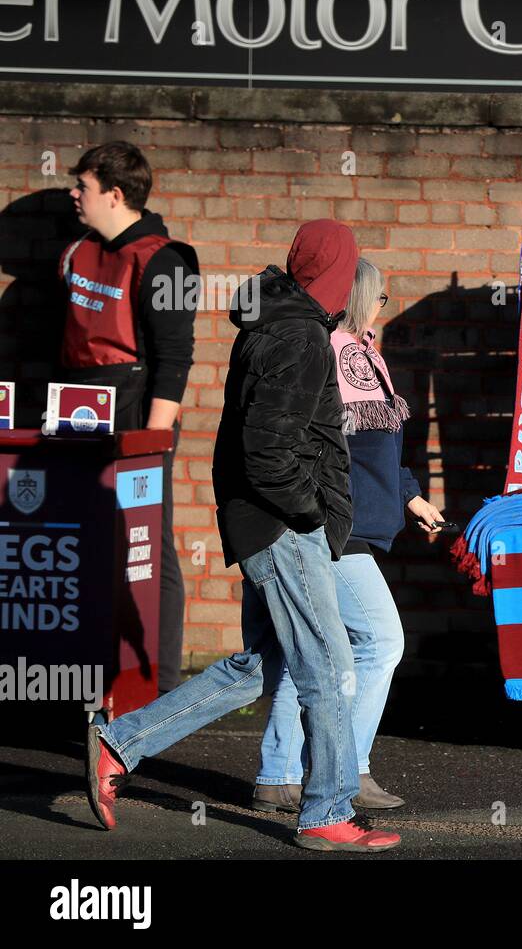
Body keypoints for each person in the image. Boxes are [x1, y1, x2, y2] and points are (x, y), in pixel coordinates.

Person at [86, 220, 402, 852]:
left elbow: (272, 442)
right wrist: (311, 518)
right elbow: (267, 452)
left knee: (267, 664)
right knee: (332, 667)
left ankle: (118, 742)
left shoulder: (280, 322)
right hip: (284, 527)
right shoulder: (300, 336)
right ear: (336, 273)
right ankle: (326, 813)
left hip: (273, 523)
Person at [253, 257, 444, 814]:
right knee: (382, 642)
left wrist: (409, 497)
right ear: (361, 298)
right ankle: (348, 768)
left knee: (304, 653)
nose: (383, 309)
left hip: (352, 524)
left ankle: (278, 773)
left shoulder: (363, 356)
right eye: (381, 298)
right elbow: (316, 448)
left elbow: (378, 450)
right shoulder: (331, 355)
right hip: (335, 528)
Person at [62, 141, 195, 693]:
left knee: (147, 547)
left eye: (84, 186)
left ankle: (157, 685)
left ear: (115, 194)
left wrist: (154, 440)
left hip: (139, 417)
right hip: (79, 413)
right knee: (93, 544)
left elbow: (176, 359)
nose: (74, 194)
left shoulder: (171, 258)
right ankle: (99, 677)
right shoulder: (77, 252)